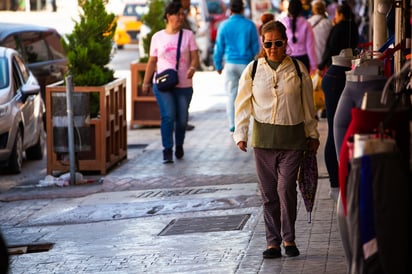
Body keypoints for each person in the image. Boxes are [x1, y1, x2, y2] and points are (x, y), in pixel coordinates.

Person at [233, 20, 320, 259]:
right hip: (263, 142)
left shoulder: (298, 70)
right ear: (263, 43)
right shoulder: (252, 70)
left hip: (293, 140)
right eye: (268, 43)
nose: (272, 48)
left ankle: (288, 238)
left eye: (278, 43)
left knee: (285, 190)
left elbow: (307, 107)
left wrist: (312, 133)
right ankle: (273, 243)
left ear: (286, 43)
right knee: (269, 194)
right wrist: (240, 133)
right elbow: (242, 104)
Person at [142, 1, 199, 163]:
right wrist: (146, 82)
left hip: (184, 84)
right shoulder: (157, 37)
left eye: (183, 14)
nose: (181, 17)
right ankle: (167, 149)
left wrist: (193, 68)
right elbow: (152, 61)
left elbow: (195, 58)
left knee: (182, 119)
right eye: (178, 14)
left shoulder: (188, 35)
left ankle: (179, 144)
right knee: (168, 116)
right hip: (163, 84)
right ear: (168, 16)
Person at [213, 0, 260, 132]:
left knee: (232, 95)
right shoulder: (250, 25)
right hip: (246, 64)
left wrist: (218, 64)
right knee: (249, 95)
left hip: (230, 64)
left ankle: (233, 125)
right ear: (242, 9)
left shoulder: (224, 25)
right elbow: (256, 47)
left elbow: (219, 47)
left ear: (230, 10)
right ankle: (250, 123)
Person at [317, 2, 358, 71]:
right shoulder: (353, 26)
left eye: (336, 14)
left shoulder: (338, 28)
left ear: (341, 15)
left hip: (336, 65)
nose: (335, 17)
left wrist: (321, 65)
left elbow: (331, 48)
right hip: (350, 63)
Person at [176, 0, 198, 131]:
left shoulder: (184, 14)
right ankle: (180, 121)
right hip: (180, 62)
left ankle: (183, 119)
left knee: (186, 92)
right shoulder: (178, 14)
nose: (189, 2)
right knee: (182, 93)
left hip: (187, 63)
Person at [279, 0, 317, 73]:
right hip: (303, 60)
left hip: (287, 59)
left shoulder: (282, 22)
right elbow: (310, 47)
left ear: (289, 9)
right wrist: (314, 65)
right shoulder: (306, 24)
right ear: (301, 10)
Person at [307, 0, 332, 66]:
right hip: (325, 59)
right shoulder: (328, 23)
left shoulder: (308, 22)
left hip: (311, 59)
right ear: (324, 9)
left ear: (313, 9)